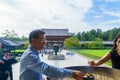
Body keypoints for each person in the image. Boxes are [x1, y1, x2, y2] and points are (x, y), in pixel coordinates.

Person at [19, 29, 83, 80]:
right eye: (42, 40)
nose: (44, 43)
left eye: (45, 40)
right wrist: (72, 73)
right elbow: (46, 69)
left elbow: (37, 69)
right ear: (33, 41)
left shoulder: (34, 53)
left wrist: (40, 77)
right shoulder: (29, 55)